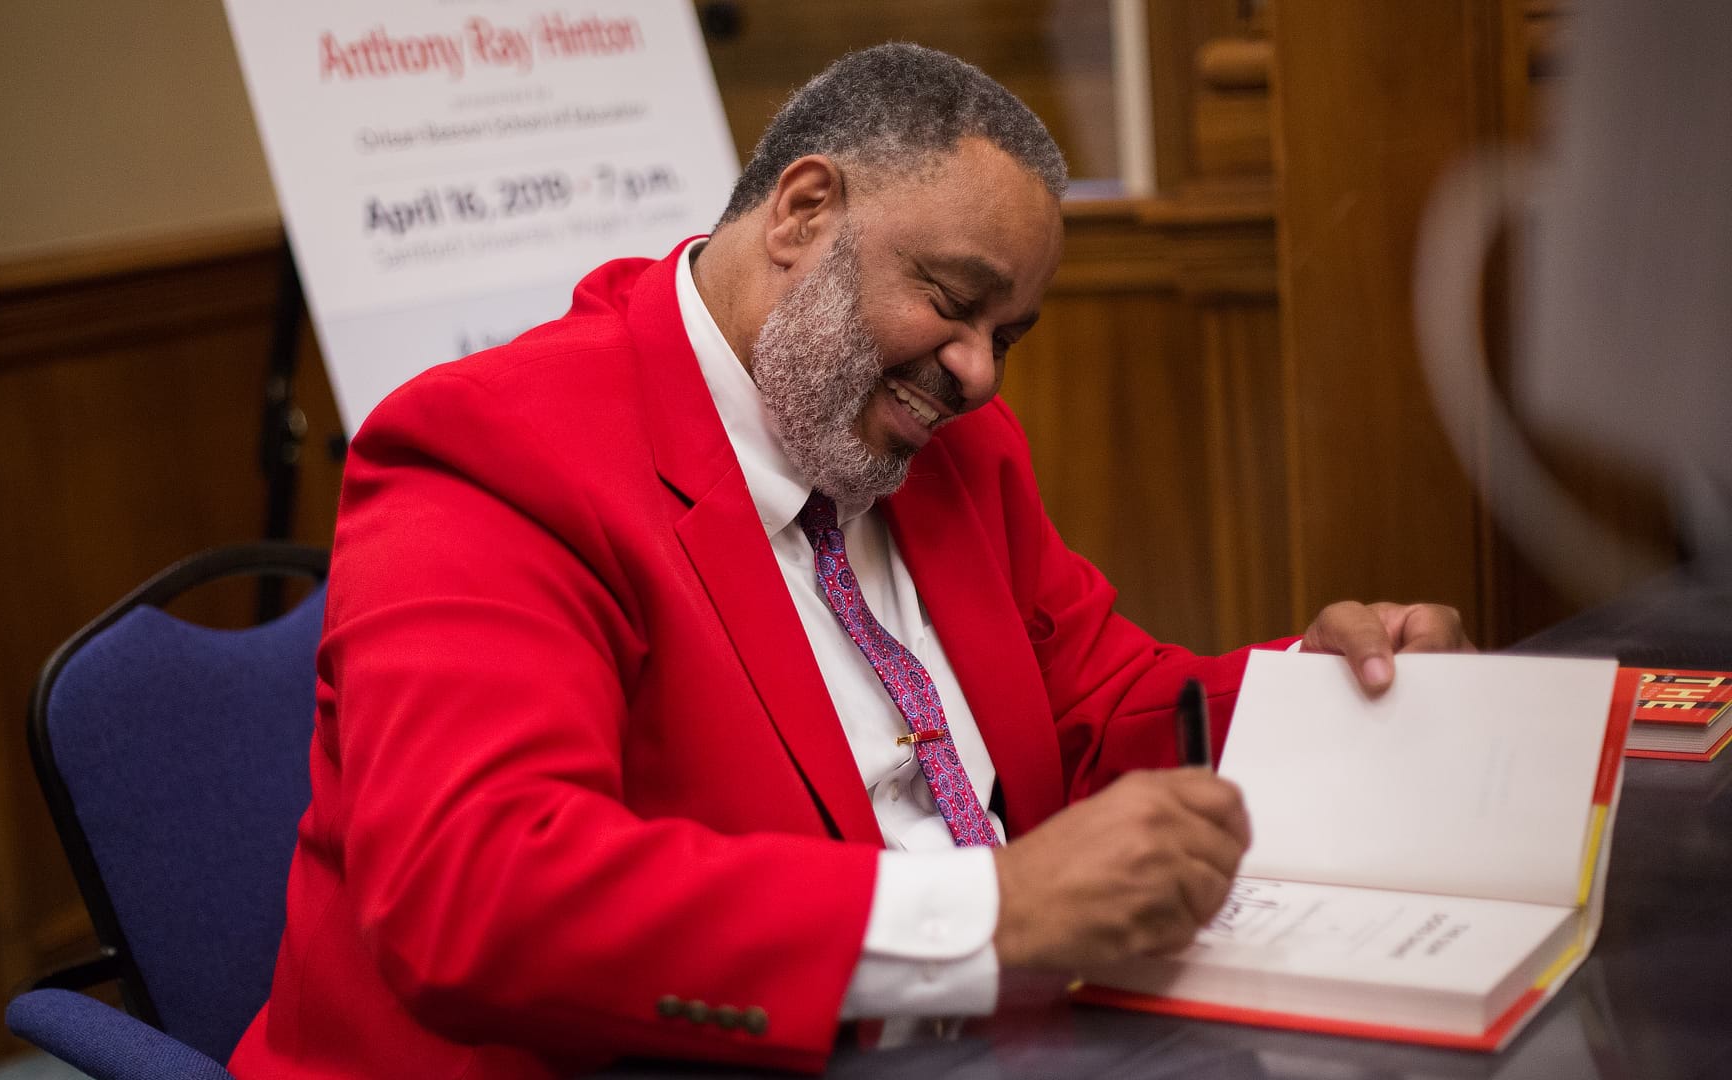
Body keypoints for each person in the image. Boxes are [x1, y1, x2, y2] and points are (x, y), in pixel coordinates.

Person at [229, 43, 1469, 1080]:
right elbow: (477, 888)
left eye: (1008, 334)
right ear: (804, 212)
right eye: (953, 299)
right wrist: (992, 915)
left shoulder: (947, 445)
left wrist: (1336, 694)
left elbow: (1102, 708)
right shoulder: (499, 451)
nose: (979, 371)